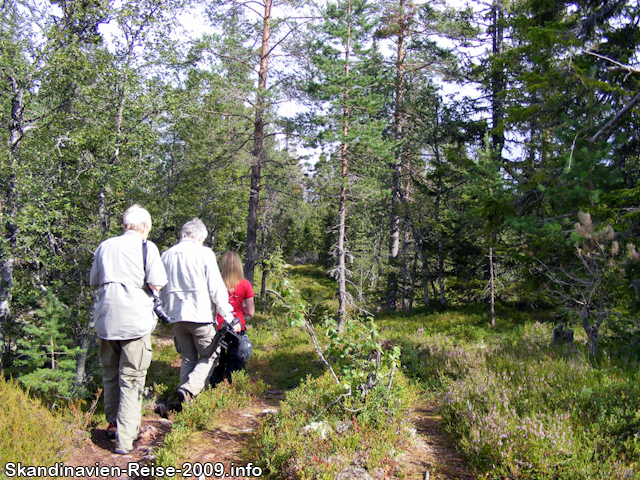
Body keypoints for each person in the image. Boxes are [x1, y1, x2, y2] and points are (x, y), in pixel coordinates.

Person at [89, 204, 168, 455]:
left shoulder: (104, 246)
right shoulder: (147, 247)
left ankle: (113, 426)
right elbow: (157, 282)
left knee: (111, 375)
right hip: (134, 322)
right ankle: (125, 440)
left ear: (125, 225)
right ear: (144, 227)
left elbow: (93, 282)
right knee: (132, 379)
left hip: (106, 321)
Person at [160, 219, 241, 407]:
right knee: (211, 355)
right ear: (198, 236)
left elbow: (161, 287)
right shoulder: (204, 253)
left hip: (177, 317)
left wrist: (164, 312)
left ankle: (185, 405)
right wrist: (229, 317)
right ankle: (188, 390)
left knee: (187, 358)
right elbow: (216, 289)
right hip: (200, 316)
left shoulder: (167, 255)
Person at [210, 251, 255, 387]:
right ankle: (234, 390)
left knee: (216, 363)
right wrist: (239, 309)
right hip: (238, 327)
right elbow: (251, 312)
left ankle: (213, 390)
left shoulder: (216, 283)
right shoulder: (245, 284)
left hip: (218, 326)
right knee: (236, 361)